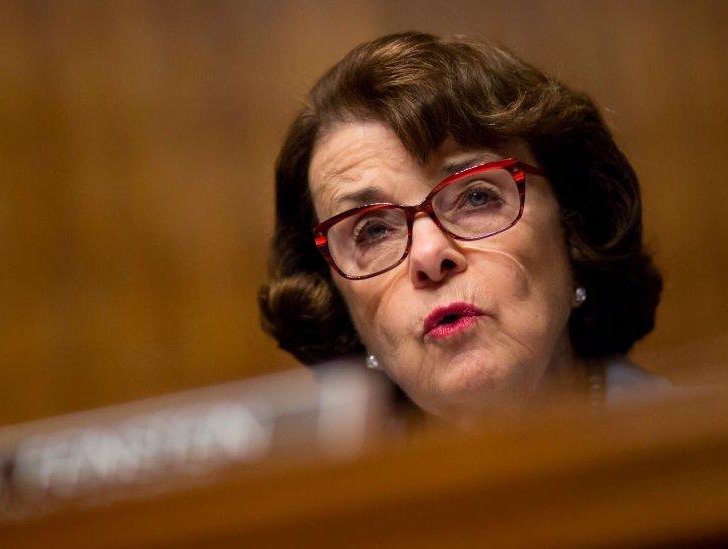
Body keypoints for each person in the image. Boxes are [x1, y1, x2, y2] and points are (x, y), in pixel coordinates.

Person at [259, 32, 667, 425]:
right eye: (372, 231)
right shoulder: (318, 496)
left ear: (574, 223)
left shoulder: (710, 464)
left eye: (476, 196)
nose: (429, 255)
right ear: (339, 303)